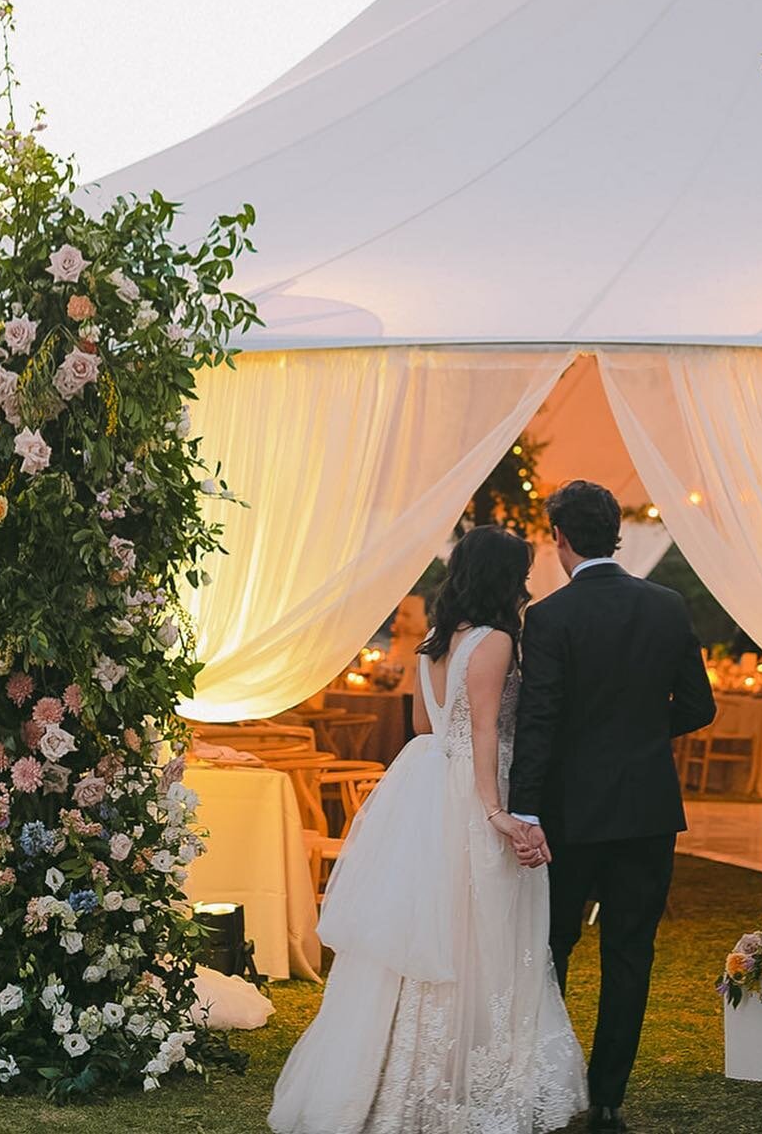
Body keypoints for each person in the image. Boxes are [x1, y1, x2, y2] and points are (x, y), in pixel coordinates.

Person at [268, 524, 587, 1134]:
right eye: (520, 574)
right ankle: (464, 1072)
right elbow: (487, 730)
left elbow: (424, 722)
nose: (525, 585)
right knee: (478, 928)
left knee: (432, 926)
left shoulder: (433, 645)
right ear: (503, 578)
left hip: (426, 780)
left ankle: (398, 1067)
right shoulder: (495, 641)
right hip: (474, 791)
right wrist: (497, 811)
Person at [508, 481, 716, 1133]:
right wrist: (645, 734)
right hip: (649, 811)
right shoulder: (667, 603)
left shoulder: (548, 616)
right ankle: (605, 1099)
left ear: (561, 538)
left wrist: (526, 810)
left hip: (571, 812)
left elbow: (539, 720)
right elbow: (701, 705)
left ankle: (552, 1083)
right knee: (630, 952)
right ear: (615, 534)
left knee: (553, 948)